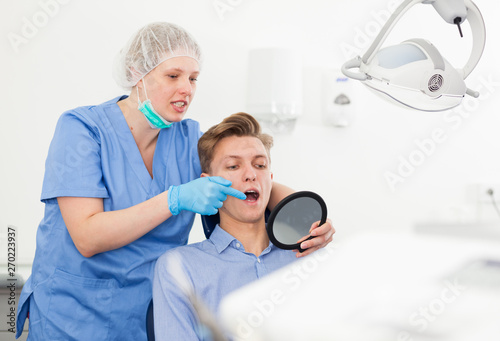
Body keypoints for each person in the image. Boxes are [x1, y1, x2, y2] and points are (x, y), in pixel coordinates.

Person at [16, 22, 335, 340]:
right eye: (173, 76)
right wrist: (173, 199)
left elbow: (241, 175)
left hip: (144, 312)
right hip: (73, 312)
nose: (187, 89)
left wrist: (306, 216)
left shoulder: (186, 141)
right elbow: (87, 237)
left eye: (193, 78)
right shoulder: (82, 130)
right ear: (137, 72)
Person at [153, 112, 333, 340]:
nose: (250, 175)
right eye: (233, 166)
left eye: (259, 165)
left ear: (270, 178)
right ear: (209, 184)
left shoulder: (309, 254)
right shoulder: (180, 268)